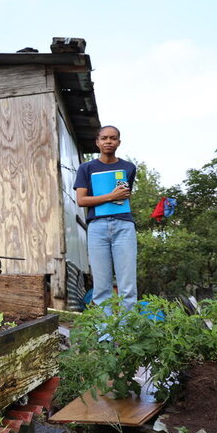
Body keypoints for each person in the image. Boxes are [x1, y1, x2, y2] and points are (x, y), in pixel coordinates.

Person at [74, 125, 138, 310]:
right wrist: (111, 196)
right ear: (97, 142)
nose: (108, 141)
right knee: (101, 287)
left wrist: (118, 197)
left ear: (119, 142)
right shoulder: (86, 168)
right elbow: (81, 200)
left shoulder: (128, 167)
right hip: (97, 227)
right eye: (104, 138)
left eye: (113, 138)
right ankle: (105, 336)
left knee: (128, 285)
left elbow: (125, 196)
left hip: (124, 225)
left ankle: (128, 334)